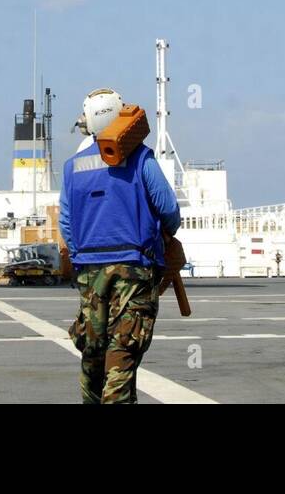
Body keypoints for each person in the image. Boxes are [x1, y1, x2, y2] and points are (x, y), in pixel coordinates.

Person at [59, 88, 180, 404]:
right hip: (133, 270)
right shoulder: (141, 158)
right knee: (122, 353)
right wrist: (167, 236)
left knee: (93, 352)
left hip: (89, 273)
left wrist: (82, 255)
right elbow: (168, 208)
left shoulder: (72, 168)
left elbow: (67, 226)